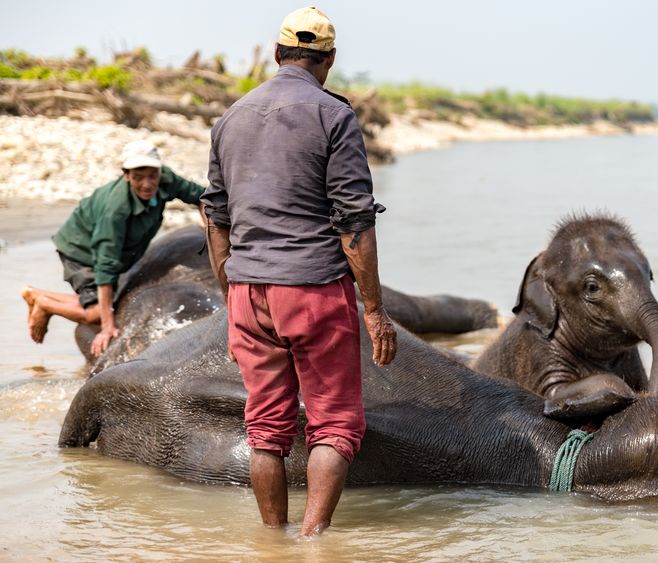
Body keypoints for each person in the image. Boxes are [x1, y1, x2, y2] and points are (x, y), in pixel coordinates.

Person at [201, 6, 397, 538]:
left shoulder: (231, 117)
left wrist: (232, 292)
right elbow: (354, 222)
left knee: (265, 427)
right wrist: (375, 309)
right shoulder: (334, 116)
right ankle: (312, 543)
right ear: (328, 60)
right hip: (313, 289)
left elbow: (215, 218)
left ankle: (272, 540)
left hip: (248, 289)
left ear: (275, 53)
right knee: (334, 423)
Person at [22, 140, 206, 355]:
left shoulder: (166, 179)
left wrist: (211, 229)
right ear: (126, 175)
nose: (147, 184)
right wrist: (108, 327)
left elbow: (202, 197)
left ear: (159, 172)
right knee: (97, 314)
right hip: (82, 251)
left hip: (120, 252)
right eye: (138, 177)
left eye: (152, 176)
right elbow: (105, 267)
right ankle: (44, 303)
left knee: (111, 302)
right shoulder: (116, 211)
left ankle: (35, 294)